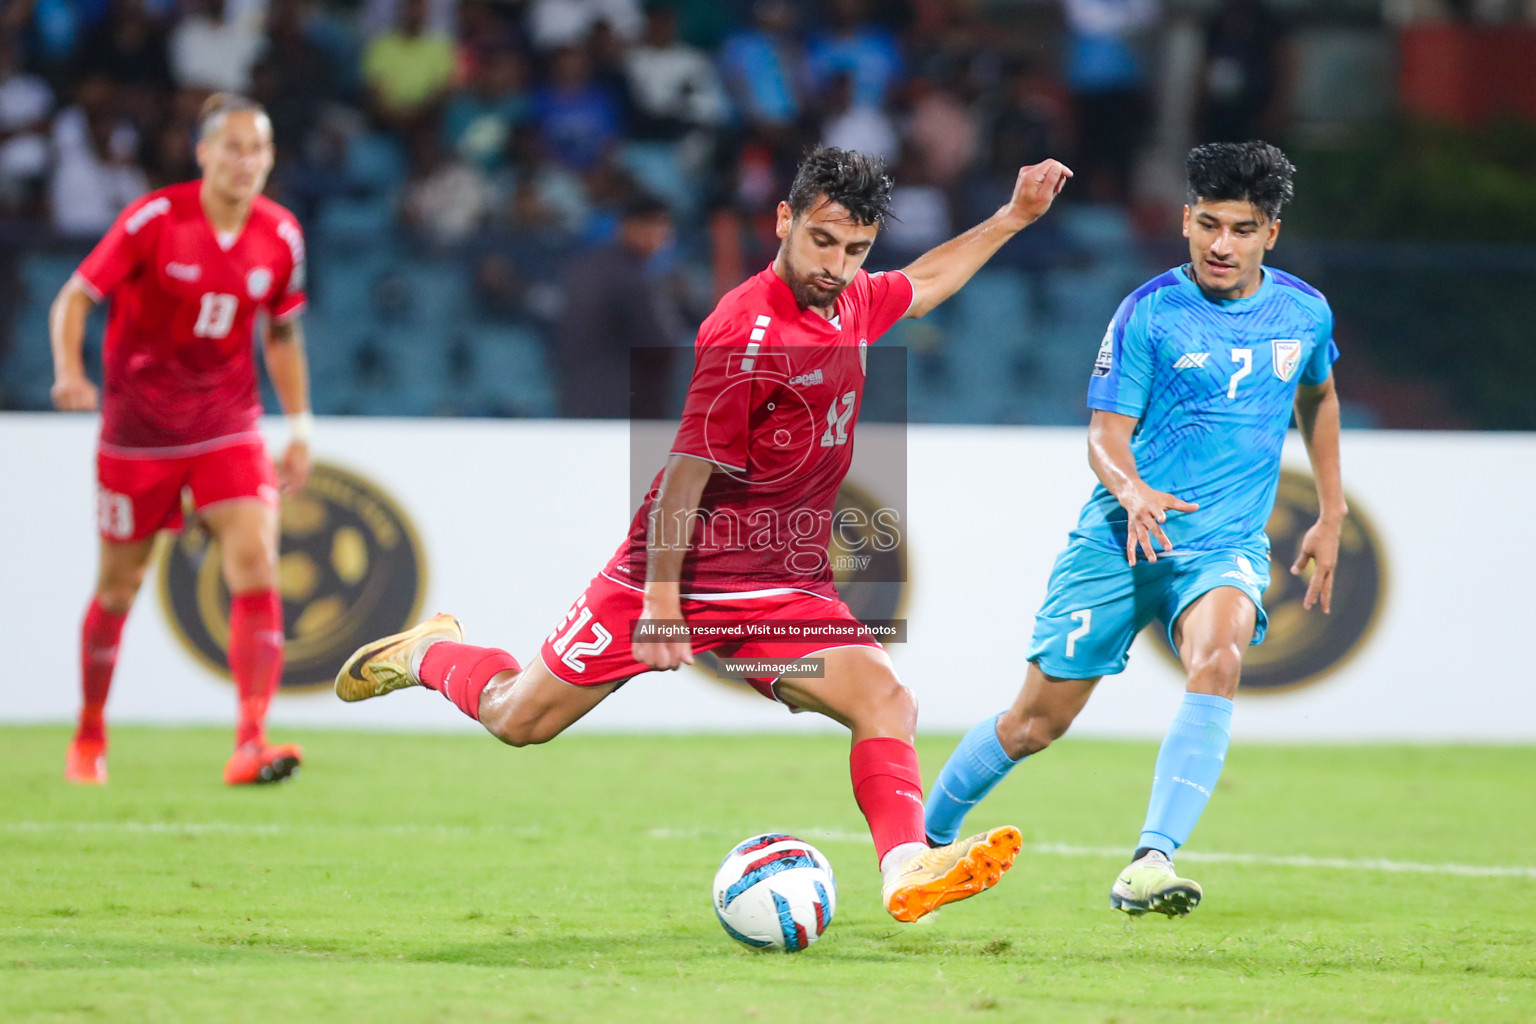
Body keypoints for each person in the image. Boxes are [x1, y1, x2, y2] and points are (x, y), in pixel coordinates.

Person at [337, 145, 1072, 923]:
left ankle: (905, 867)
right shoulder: (746, 332)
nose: (838, 265)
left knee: (886, 700)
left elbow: (922, 285)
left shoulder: (851, 298)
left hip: (782, 583)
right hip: (679, 570)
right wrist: (660, 603)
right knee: (518, 719)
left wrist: (1011, 217)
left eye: (856, 250)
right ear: (784, 220)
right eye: (823, 241)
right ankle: (428, 652)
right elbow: (684, 477)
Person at [923, 141, 1345, 918]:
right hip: (1123, 539)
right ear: (1185, 221)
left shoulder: (1304, 311)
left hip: (1221, 544)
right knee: (1034, 723)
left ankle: (1152, 861)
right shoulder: (1149, 312)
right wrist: (1134, 490)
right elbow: (1103, 436)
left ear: (1270, 235)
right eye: (1209, 224)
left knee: (1218, 660)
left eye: (1243, 229)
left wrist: (1330, 509)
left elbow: (1319, 396)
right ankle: (922, 843)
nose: (1222, 245)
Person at [50, 92, 314, 787]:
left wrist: (300, 425)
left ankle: (251, 741)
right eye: (231, 146)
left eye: (256, 148)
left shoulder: (281, 234)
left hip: (227, 423)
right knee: (119, 586)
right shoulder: (155, 219)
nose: (244, 160)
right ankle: (89, 735)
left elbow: (281, 331)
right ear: (202, 153)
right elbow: (75, 297)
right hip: (137, 435)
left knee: (256, 560)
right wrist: (70, 373)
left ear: (270, 158)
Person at [555, 192, 678, 419]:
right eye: (655, 227)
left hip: (574, 396)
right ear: (629, 226)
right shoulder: (630, 276)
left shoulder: (584, 266)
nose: (662, 237)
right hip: (620, 401)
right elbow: (659, 343)